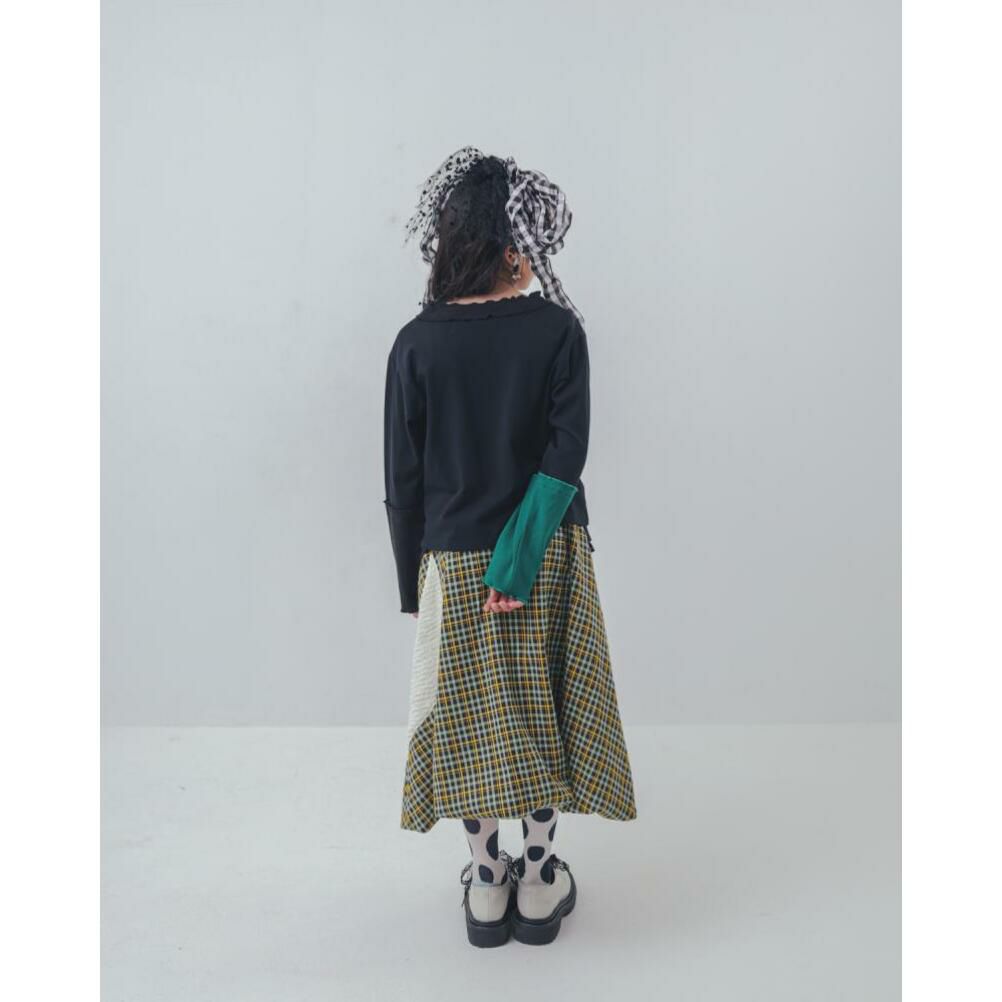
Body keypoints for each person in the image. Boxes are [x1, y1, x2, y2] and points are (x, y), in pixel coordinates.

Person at [383, 147, 637, 948]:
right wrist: (521, 557)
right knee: (540, 714)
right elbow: (566, 453)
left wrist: (416, 584)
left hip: (455, 563)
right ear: (511, 249)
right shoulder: (559, 331)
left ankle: (487, 881)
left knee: (473, 725)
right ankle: (539, 875)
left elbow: (403, 479)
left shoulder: (415, 343)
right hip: (548, 554)